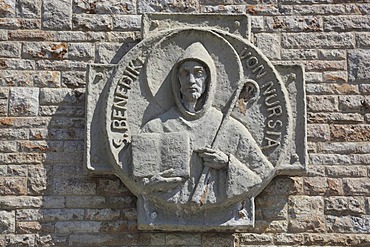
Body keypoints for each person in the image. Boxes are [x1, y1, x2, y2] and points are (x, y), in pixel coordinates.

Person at [140, 42, 274, 206]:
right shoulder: (155, 127)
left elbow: (263, 173)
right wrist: (153, 183)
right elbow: (140, 178)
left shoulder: (229, 128)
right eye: (184, 73)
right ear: (177, 81)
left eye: (198, 73)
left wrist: (226, 164)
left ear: (208, 80)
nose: (191, 80)